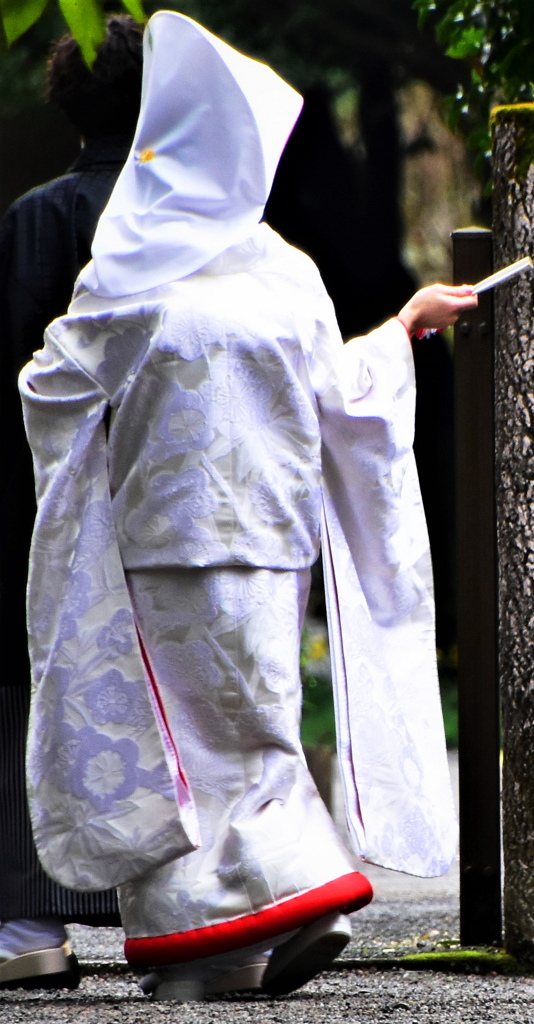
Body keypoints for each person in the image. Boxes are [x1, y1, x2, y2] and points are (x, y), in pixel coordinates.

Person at [18, 11, 478, 1001]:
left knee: (235, 729)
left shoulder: (217, 269)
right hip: (195, 536)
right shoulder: (196, 267)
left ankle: (243, 928)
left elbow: (333, 390)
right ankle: (254, 921)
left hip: (236, 534)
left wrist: (405, 325)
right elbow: (57, 385)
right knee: (206, 745)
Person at [0, 14, 143, 990]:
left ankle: (25, 925)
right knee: (156, 692)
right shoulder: (179, 231)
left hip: (39, 500)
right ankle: (159, 914)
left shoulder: (35, 219)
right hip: (153, 504)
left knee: (27, 691)